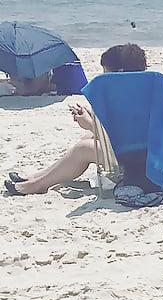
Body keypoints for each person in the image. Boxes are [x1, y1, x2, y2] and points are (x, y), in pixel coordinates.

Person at [5, 44, 148, 196]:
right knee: (88, 138)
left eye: (106, 72)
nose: (103, 77)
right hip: (150, 154)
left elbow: (124, 140)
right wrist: (93, 120)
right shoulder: (146, 89)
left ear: (120, 73)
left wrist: (91, 125)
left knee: (83, 149)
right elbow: (128, 132)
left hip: (140, 161)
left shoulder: (131, 98)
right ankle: (37, 177)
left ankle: (36, 185)